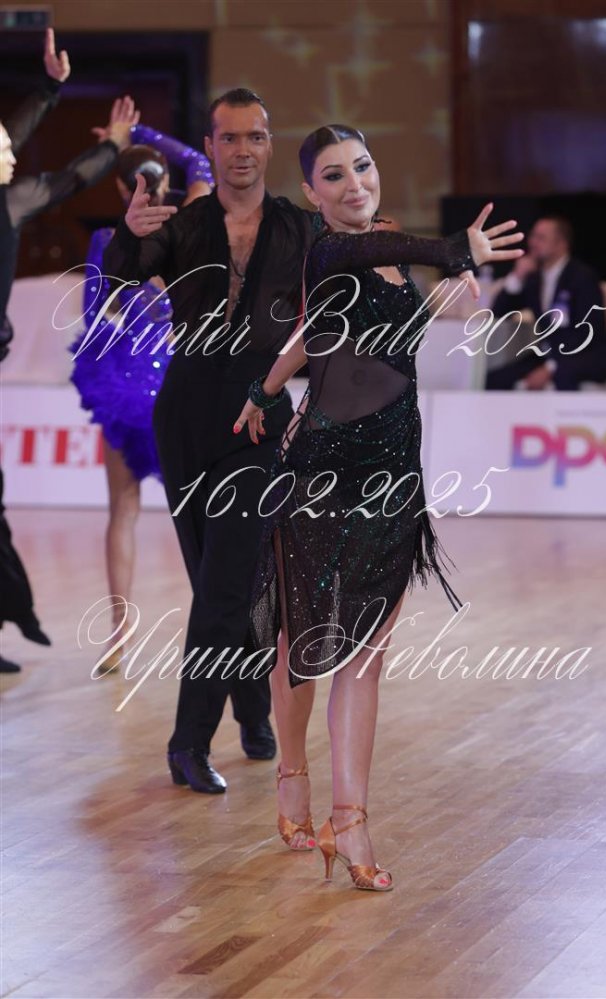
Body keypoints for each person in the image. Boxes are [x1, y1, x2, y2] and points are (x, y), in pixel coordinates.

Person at [234, 124, 524, 891]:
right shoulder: (330, 251)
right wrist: (454, 246)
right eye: (334, 175)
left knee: (365, 654)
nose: (354, 182)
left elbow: (331, 334)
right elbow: (350, 280)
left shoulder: (391, 249)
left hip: (393, 476)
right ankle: (292, 777)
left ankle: (350, 818)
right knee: (301, 640)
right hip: (322, 472)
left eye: (362, 166)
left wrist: (267, 387)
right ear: (312, 193)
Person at [103, 89, 316, 791]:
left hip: (259, 417)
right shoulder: (185, 223)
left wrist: (448, 257)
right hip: (186, 415)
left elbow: (356, 266)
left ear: (270, 144)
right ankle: (253, 711)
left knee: (226, 581)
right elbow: (118, 279)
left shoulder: (298, 227)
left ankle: (187, 744)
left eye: (255, 136)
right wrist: (128, 231)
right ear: (211, 146)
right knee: (217, 580)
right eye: (230, 138)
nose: (243, 150)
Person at [0, 28, 137, 674]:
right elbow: (56, 170)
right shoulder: (9, 200)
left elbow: (38, 157)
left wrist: (52, 91)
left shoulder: (7, 198)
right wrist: (108, 141)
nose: (9, 150)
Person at [70, 127, 214, 673]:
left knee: (123, 514)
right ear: (165, 181)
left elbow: (93, 316)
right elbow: (201, 162)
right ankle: (218, 632)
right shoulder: (190, 223)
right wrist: (137, 133)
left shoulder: (108, 240)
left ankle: (119, 637)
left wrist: (117, 143)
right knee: (202, 515)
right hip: (182, 382)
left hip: (127, 387)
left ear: (118, 187)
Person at [485, 215, 606, 390]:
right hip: (548, 354)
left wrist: (551, 368)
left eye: (541, 238)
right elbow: (499, 313)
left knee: (561, 378)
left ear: (561, 244)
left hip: (585, 356)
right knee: (494, 380)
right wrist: (517, 276)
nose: (533, 243)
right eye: (533, 236)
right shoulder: (533, 279)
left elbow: (586, 333)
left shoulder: (582, 278)